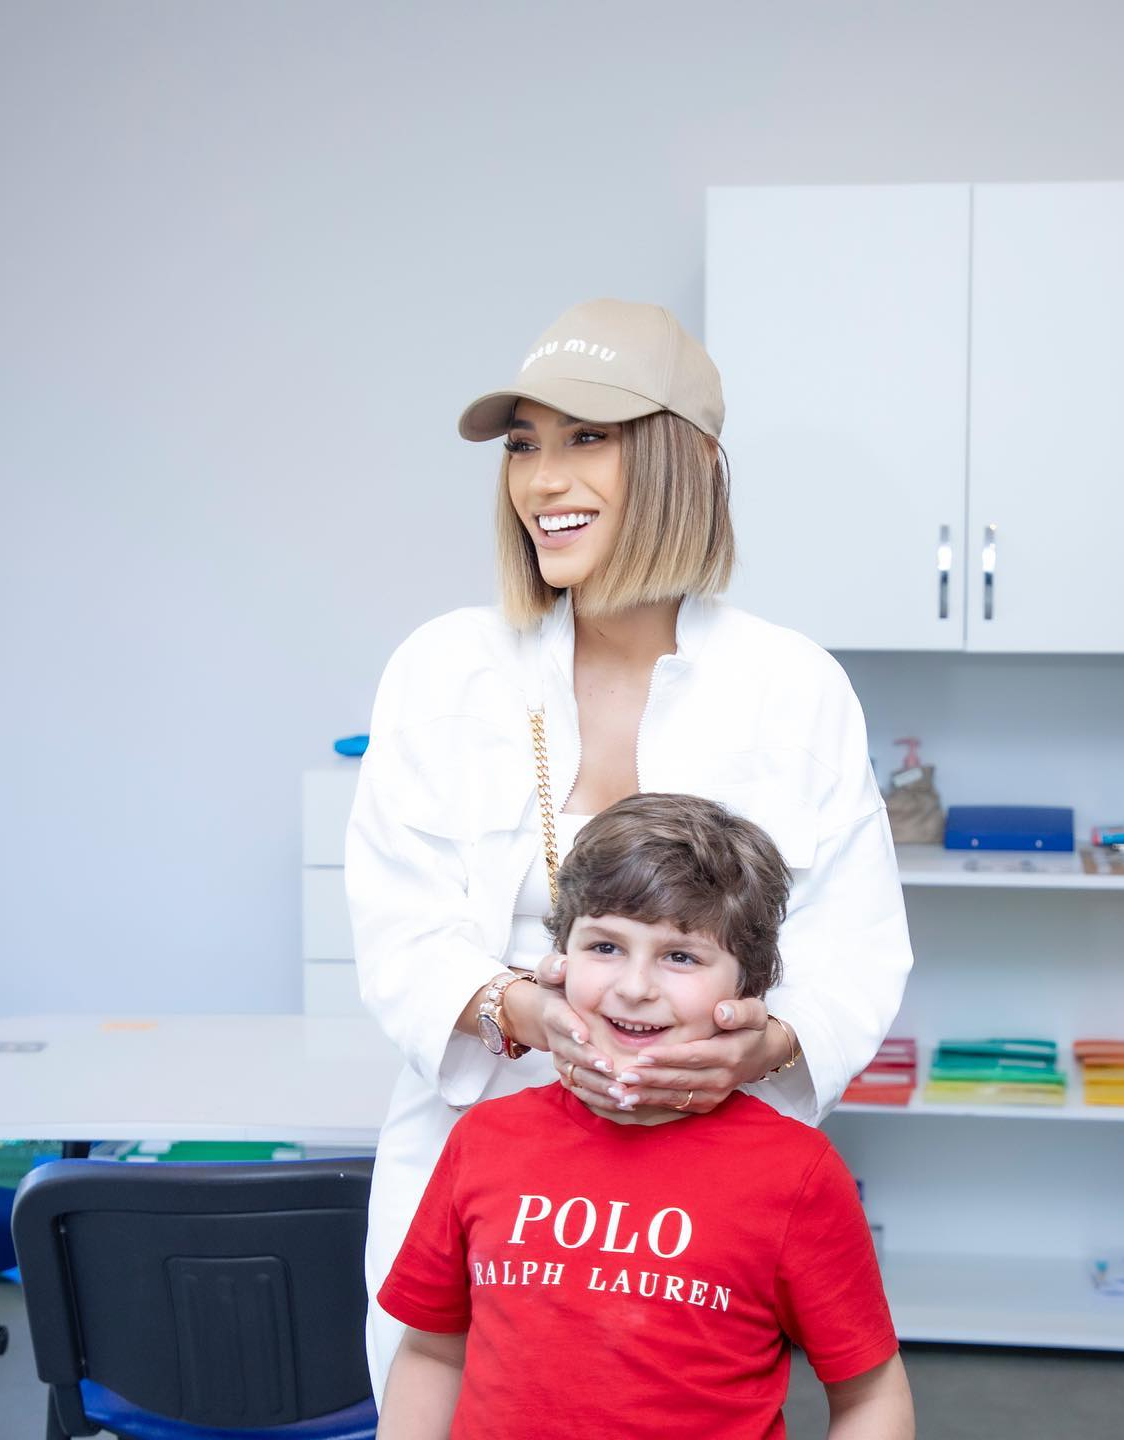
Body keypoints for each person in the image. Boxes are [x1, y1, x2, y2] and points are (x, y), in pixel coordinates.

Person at [346, 297, 914, 1399]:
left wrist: (765, 1046)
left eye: (586, 439)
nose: (543, 481)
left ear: (684, 463)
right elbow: (398, 928)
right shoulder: (443, 669)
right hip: (481, 1174)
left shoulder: (792, 687)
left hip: (707, 1194)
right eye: (524, 446)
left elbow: (855, 946)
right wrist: (527, 1014)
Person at [375, 794, 915, 1440]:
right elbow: (432, 1353)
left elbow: (870, 1394)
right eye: (605, 946)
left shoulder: (796, 1174)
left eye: (681, 956)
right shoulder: (483, 1141)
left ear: (746, 990)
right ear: (559, 961)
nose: (634, 987)